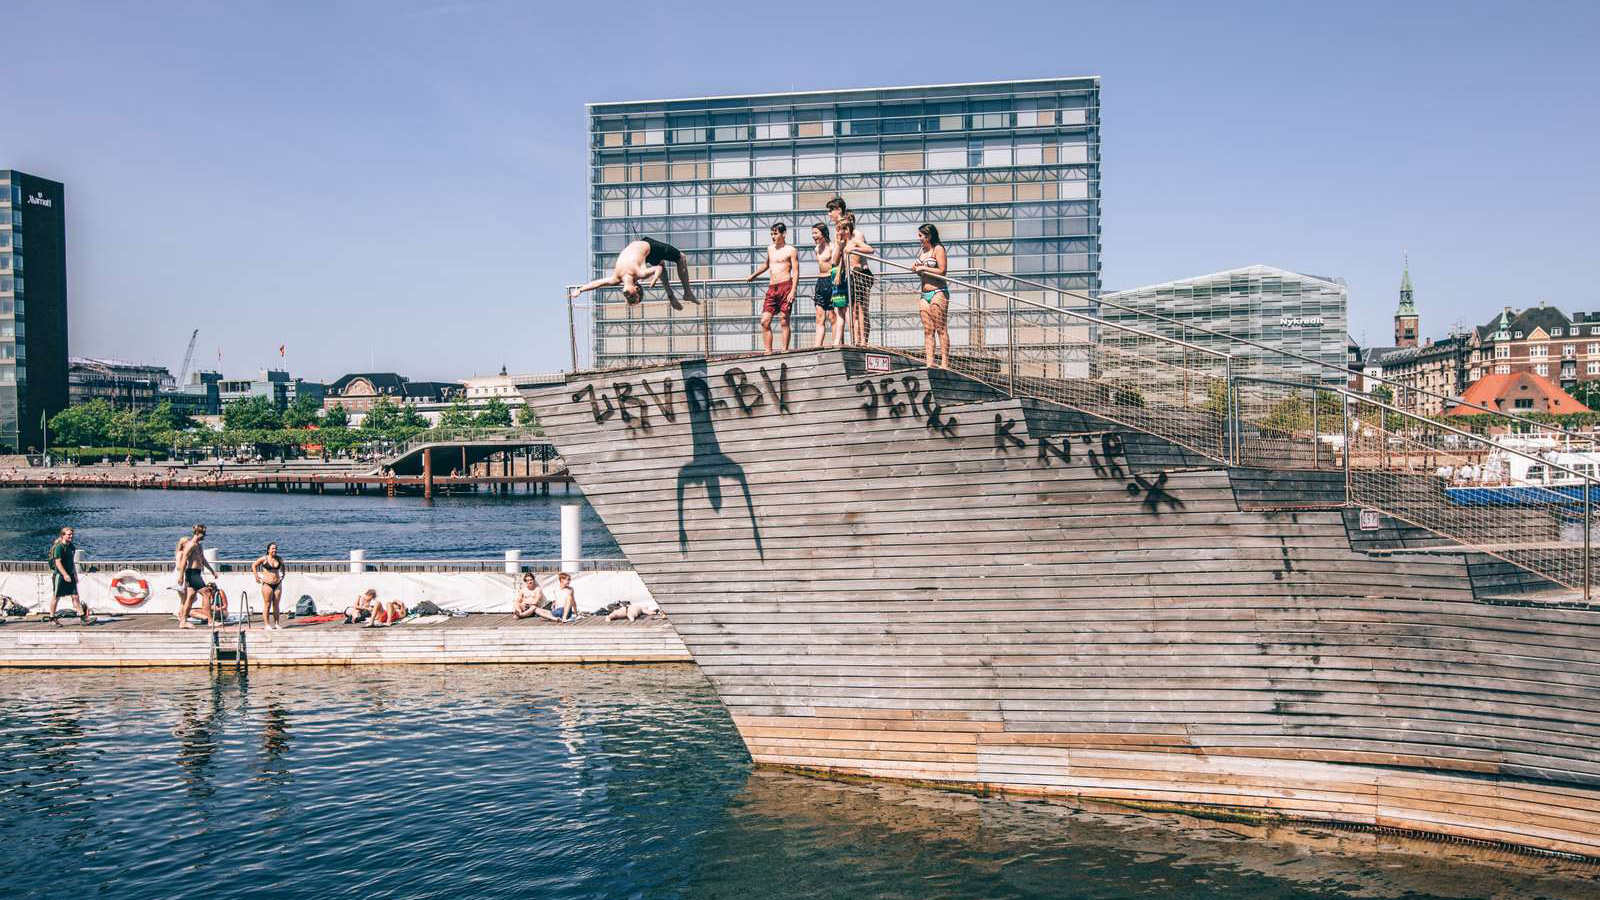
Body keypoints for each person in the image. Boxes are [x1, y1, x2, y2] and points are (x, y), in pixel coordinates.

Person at [568, 238, 695, 309]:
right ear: (636, 287)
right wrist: (654, 278)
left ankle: (676, 294)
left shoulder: (615, 279)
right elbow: (657, 270)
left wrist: (580, 290)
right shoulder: (639, 273)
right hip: (649, 246)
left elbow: (597, 283)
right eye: (633, 296)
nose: (628, 296)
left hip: (643, 245)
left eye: (628, 298)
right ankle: (684, 293)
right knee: (680, 258)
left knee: (666, 261)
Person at [747, 223, 801, 354]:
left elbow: (796, 271)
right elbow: (766, 265)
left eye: (775, 233)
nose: (773, 236)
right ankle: (768, 351)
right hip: (772, 288)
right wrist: (754, 275)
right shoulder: (770, 249)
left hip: (786, 286)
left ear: (784, 234)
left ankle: (784, 350)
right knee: (765, 321)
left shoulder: (791, 250)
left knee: (784, 320)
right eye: (771, 233)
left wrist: (793, 290)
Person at [833, 213, 876, 347]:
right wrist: (839, 274)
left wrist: (855, 248)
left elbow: (870, 249)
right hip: (849, 276)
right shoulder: (843, 243)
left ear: (849, 229)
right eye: (839, 229)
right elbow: (840, 260)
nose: (841, 232)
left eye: (844, 229)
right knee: (854, 311)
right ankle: (857, 339)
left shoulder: (853, 240)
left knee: (860, 309)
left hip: (859, 274)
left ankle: (862, 339)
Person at [911, 223, 950, 368]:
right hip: (924, 293)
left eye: (921, 235)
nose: (919, 238)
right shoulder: (922, 250)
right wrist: (915, 267)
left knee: (941, 327)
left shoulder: (938, 249)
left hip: (938, 291)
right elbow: (918, 266)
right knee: (928, 330)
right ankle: (930, 362)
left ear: (929, 236)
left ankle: (945, 362)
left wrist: (924, 268)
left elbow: (942, 271)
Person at [176, 525, 218, 629]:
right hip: (192, 573)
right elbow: (183, 561)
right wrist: (181, 577)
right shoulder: (191, 545)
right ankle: (210, 621)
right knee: (207, 593)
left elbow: (203, 560)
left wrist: (212, 571)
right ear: (198, 533)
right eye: (203, 533)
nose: (205, 535)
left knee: (190, 598)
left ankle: (183, 622)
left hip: (197, 572)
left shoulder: (199, 545)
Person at [48, 527, 87, 623]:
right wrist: (65, 574)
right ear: (63, 535)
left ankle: (82, 617)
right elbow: (58, 562)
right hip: (60, 575)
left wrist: (74, 574)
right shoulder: (59, 547)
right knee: (56, 596)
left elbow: (72, 562)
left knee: (75, 596)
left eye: (72, 534)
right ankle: (52, 617)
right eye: (69, 534)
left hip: (70, 574)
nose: (71, 536)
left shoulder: (71, 547)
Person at [809, 222, 837, 349]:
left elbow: (836, 265)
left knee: (832, 317)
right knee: (819, 317)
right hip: (820, 282)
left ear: (823, 233)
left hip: (830, 281)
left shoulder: (832, 247)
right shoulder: (817, 248)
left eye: (816, 233)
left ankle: (836, 345)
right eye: (812, 233)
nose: (813, 236)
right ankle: (817, 346)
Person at [252, 542, 286, 630]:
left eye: (275, 548)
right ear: (268, 550)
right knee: (267, 604)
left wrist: (283, 575)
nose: (274, 550)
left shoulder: (279, 559)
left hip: (277, 584)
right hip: (267, 584)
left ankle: (277, 623)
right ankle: (267, 624)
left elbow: (283, 566)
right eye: (272, 548)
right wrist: (256, 577)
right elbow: (254, 565)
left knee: (276, 605)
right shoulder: (264, 558)